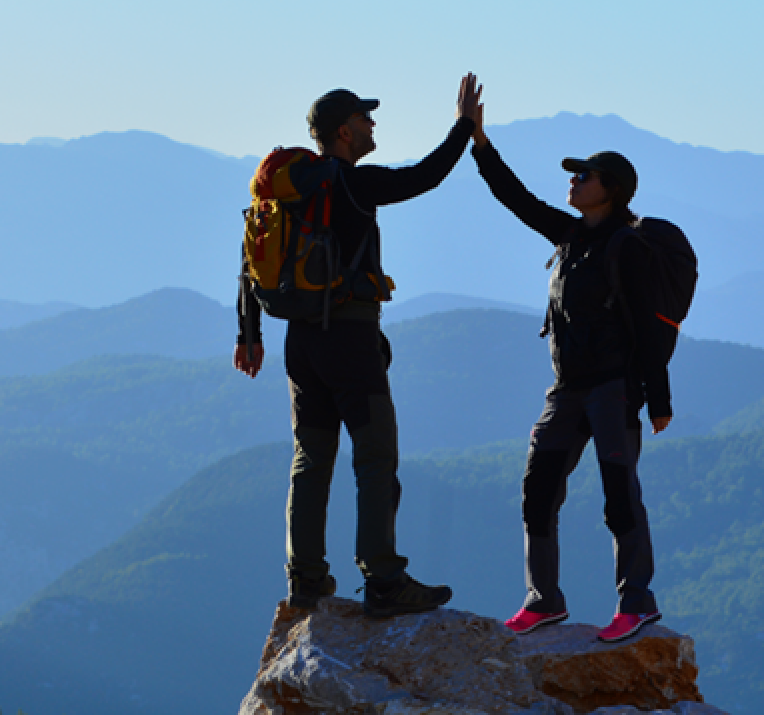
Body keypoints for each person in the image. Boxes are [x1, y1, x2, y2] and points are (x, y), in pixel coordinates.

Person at [235, 76, 480, 618]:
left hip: (300, 343)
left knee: (310, 459)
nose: (373, 125)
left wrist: (248, 333)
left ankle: (307, 579)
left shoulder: (287, 190)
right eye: (366, 119)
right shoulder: (350, 184)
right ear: (344, 132)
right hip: (349, 338)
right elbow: (426, 176)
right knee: (374, 455)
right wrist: (464, 126)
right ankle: (384, 579)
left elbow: (251, 256)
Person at [460, 87, 672, 643]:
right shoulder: (572, 234)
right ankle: (543, 599)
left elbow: (650, 327)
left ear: (613, 190)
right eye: (575, 175)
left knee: (618, 494)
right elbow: (517, 199)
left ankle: (637, 601)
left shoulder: (626, 247)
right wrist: (478, 142)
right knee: (538, 489)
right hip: (567, 390)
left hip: (613, 389)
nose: (574, 181)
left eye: (585, 176)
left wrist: (660, 398)